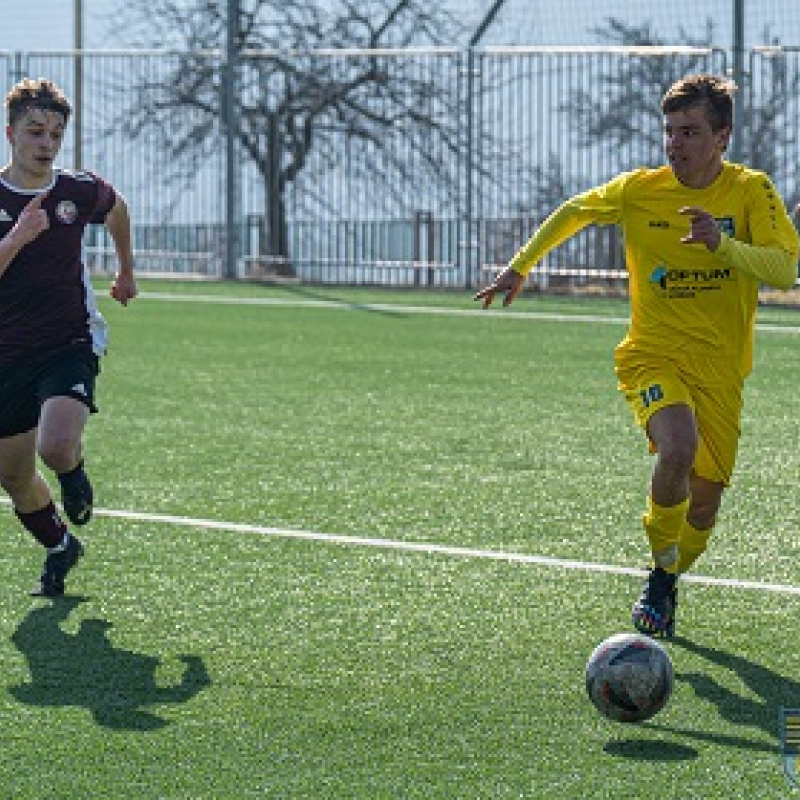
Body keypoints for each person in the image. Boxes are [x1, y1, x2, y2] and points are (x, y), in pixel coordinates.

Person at [475, 73, 800, 637]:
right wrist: (521, 263)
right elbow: (574, 210)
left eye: (690, 132)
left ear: (722, 137)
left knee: (703, 510)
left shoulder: (751, 192)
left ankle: (666, 572)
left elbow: (785, 269)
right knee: (678, 447)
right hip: (652, 356)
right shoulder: (639, 190)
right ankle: (659, 581)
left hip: (721, 372)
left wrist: (722, 244)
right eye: (670, 131)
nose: (675, 144)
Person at [0, 77, 138, 596]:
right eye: (35, 132)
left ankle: (73, 473)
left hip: (69, 341)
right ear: (11, 132)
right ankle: (60, 546)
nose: (46, 144)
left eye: (56, 134)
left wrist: (125, 270)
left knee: (55, 447)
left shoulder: (76, 191)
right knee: (13, 477)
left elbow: (117, 207)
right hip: (7, 353)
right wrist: (16, 239)